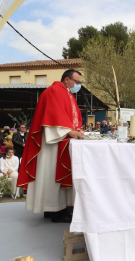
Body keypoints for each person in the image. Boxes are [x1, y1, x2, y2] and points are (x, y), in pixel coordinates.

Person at [17, 69, 84, 223]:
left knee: (53, 175)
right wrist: (70, 131)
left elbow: (73, 117)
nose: (78, 85)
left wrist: (77, 129)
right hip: (52, 142)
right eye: (77, 81)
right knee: (51, 174)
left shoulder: (68, 94)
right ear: (67, 80)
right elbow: (53, 117)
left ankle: (53, 209)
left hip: (63, 139)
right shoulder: (54, 91)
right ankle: (55, 211)